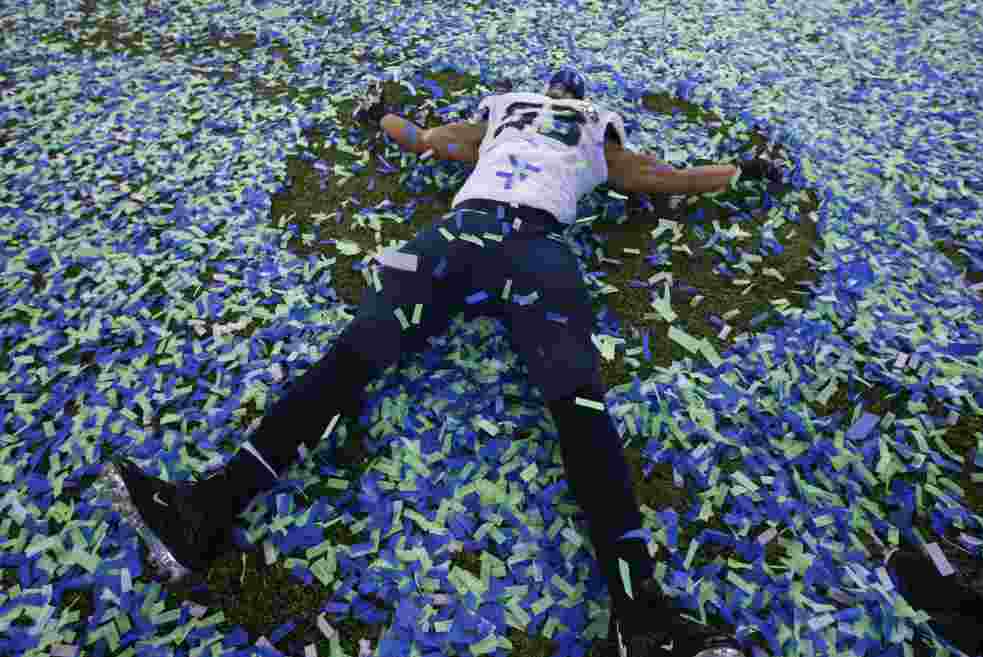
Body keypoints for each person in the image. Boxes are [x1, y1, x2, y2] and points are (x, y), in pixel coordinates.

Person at [98, 67, 784, 657]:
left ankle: (208, 506)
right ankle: (643, 616)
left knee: (353, 352)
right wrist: (741, 171)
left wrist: (379, 116)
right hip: (537, 251)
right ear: (585, 103)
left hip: (456, 235)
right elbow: (667, 179)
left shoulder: (505, 114)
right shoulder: (596, 130)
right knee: (579, 407)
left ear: (540, 92)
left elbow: (425, 139)